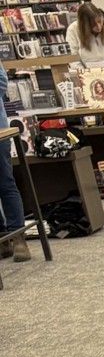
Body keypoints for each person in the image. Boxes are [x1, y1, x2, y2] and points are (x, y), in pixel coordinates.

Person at [0, 61, 29, 261]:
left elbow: (2, 82)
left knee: (5, 182)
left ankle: (19, 237)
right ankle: (3, 238)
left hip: (0, 131)